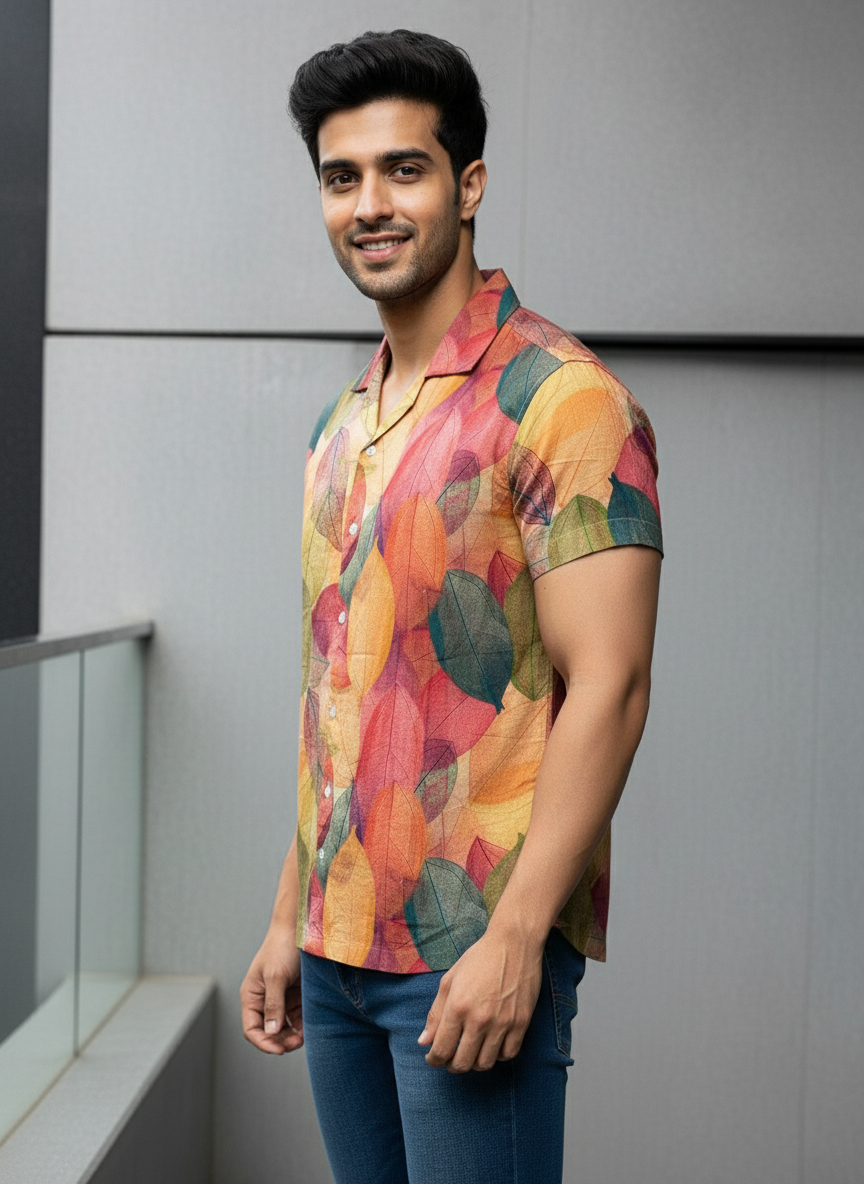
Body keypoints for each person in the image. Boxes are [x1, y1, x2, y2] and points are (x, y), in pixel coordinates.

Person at [240, 28, 663, 1184]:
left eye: (404, 169)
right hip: (335, 948)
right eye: (342, 177)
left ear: (469, 184)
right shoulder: (343, 425)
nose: (369, 204)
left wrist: (519, 934)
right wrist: (287, 917)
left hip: (469, 943)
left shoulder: (562, 398)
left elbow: (612, 684)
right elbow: (339, 696)